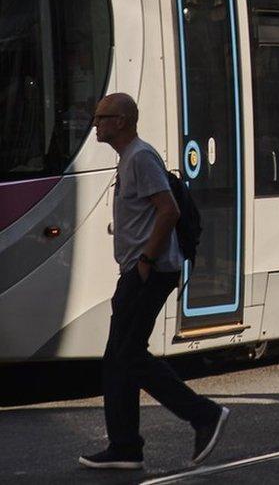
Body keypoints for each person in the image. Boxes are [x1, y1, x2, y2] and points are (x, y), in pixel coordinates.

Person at [79, 93, 229, 471]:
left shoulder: (140, 157)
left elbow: (169, 210)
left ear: (124, 120)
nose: (95, 123)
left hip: (149, 271)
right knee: (118, 359)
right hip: (138, 269)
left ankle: (203, 414)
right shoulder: (130, 158)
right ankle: (125, 446)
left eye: (102, 117)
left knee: (127, 355)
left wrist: (145, 260)